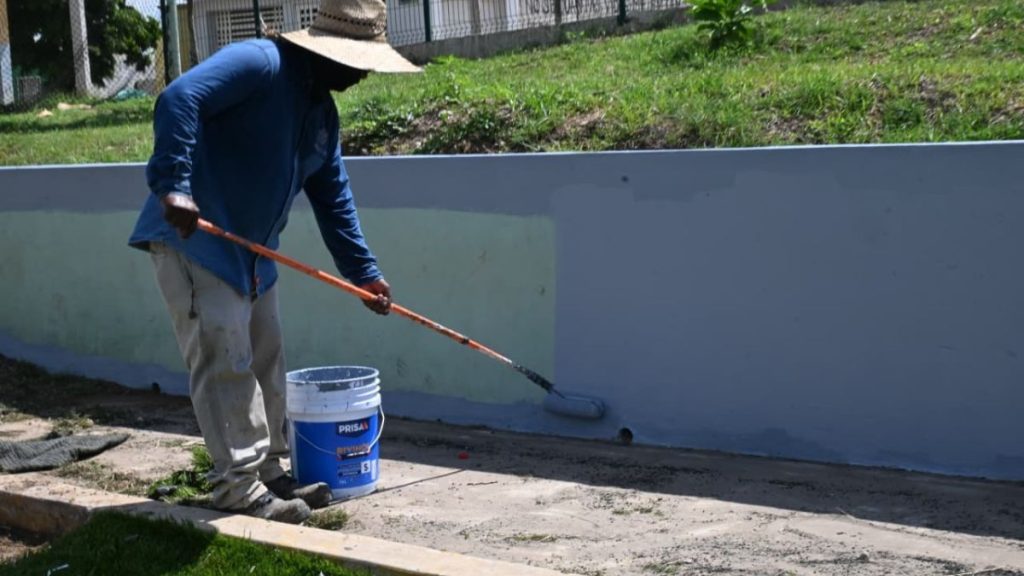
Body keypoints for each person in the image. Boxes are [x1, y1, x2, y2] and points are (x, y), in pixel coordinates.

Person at [128, 0, 419, 524]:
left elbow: (334, 198)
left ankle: (270, 471)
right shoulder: (261, 64)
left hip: (254, 258)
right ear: (327, 51)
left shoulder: (320, 114)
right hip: (196, 241)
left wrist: (363, 273)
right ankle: (237, 488)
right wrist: (173, 184)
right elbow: (178, 97)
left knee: (267, 358)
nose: (362, 73)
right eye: (357, 60)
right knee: (227, 362)